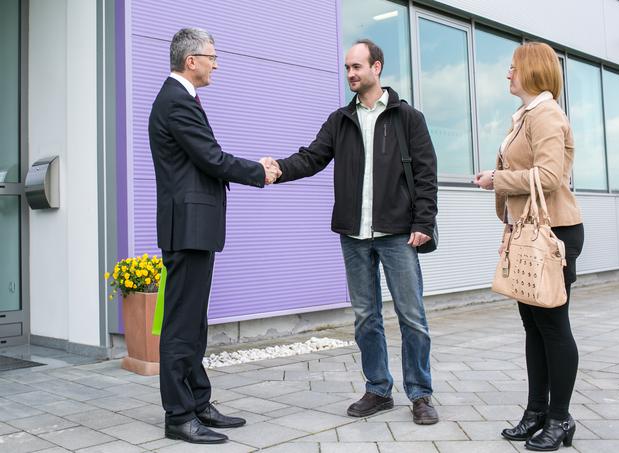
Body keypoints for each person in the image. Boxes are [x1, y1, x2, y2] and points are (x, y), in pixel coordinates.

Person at [264, 39, 439, 425]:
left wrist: (424, 222)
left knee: (412, 316)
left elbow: (426, 174)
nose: (351, 74)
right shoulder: (340, 120)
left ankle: (420, 394)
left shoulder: (408, 118)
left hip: (398, 233)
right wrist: (276, 169)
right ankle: (378, 389)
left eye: (357, 67)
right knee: (365, 317)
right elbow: (311, 158)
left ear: (377, 67)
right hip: (354, 234)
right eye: (347, 68)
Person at [148, 27, 280, 444]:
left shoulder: (181, 100)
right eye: (212, 56)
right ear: (192, 61)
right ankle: (179, 416)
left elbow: (204, 159)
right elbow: (211, 158)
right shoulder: (175, 101)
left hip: (195, 228)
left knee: (195, 323)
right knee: (180, 326)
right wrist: (259, 172)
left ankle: (199, 402)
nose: (216, 64)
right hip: (186, 229)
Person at [473, 42, 585, 451]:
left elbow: (550, 176)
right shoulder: (525, 115)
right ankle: (536, 412)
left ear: (532, 71)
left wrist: (496, 179)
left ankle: (560, 418)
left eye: (513, 68)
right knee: (533, 327)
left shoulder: (547, 114)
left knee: (553, 328)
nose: (508, 74)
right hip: (529, 231)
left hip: (554, 232)